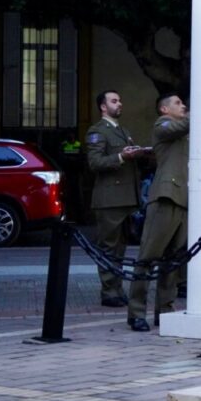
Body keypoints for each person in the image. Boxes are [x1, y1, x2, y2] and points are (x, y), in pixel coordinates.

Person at [127, 95, 201, 332]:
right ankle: (136, 312)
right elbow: (185, 125)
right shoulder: (163, 124)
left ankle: (164, 311)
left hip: (187, 200)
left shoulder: (188, 128)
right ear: (164, 109)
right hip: (166, 197)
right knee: (148, 256)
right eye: (177, 103)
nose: (182, 105)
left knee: (173, 261)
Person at [84, 90, 145, 307]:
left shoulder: (122, 130)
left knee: (120, 248)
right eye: (114, 101)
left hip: (125, 198)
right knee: (109, 247)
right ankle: (109, 291)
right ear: (103, 106)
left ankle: (117, 289)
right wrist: (121, 156)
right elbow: (95, 163)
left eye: (120, 100)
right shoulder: (98, 131)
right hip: (109, 199)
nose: (120, 103)